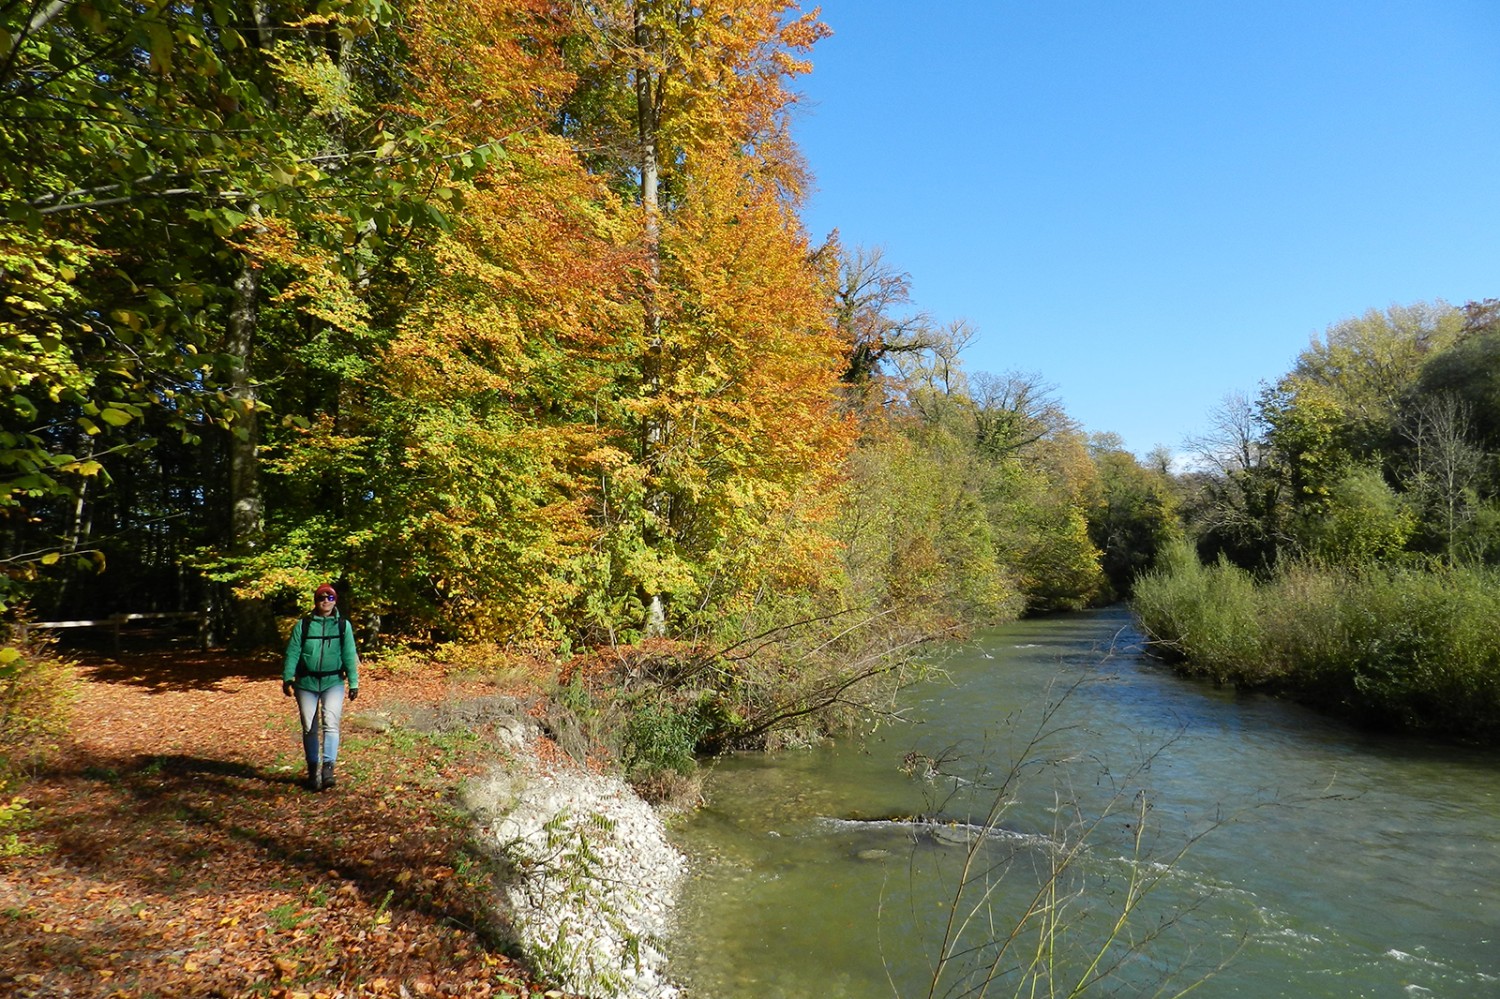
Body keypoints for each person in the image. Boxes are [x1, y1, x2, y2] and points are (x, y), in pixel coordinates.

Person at [282, 584, 359, 790]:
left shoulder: (343, 625)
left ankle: (328, 769)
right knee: (309, 727)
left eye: (330, 598)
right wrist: (288, 677)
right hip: (306, 683)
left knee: (331, 723)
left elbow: (349, 654)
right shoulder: (303, 625)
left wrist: (354, 682)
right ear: (316, 601)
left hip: (333, 681)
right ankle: (312, 770)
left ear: (335, 601)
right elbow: (293, 652)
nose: (326, 601)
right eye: (321, 598)